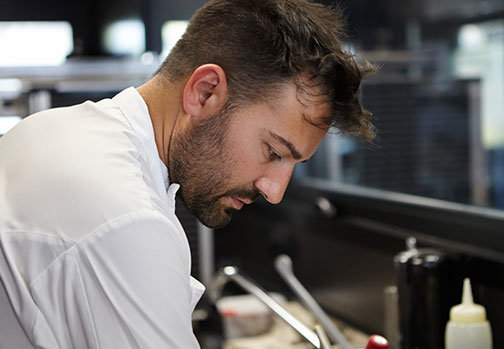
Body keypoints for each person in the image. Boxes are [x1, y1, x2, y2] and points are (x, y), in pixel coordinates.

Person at [0, 0, 375, 347]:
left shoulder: (50, 130)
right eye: (273, 152)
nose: (275, 192)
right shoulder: (127, 220)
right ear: (205, 91)